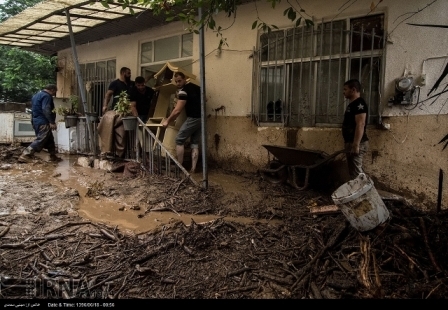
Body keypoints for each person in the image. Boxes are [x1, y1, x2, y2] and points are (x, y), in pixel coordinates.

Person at [161, 72, 201, 173]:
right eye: (176, 81)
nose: (178, 83)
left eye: (179, 81)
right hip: (201, 118)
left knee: (179, 140)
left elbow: (177, 110)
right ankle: (193, 169)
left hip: (193, 118)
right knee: (195, 143)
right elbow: (205, 99)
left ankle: (179, 167)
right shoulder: (197, 87)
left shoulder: (183, 92)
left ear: (185, 79)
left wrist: (167, 120)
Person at [18, 84, 62, 163]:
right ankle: (25, 154)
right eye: (55, 91)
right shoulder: (47, 96)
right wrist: (51, 122)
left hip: (36, 120)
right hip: (43, 121)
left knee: (49, 139)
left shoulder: (36, 95)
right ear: (52, 90)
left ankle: (53, 156)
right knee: (41, 139)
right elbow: (46, 109)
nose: (54, 94)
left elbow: (34, 109)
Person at [342, 79, 369, 179]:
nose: (343, 92)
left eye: (345, 89)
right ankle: (360, 193)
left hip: (357, 143)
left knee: (357, 174)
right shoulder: (352, 104)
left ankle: (366, 194)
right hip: (351, 142)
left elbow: (360, 124)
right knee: (354, 172)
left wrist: (356, 144)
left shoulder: (359, 104)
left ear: (353, 90)